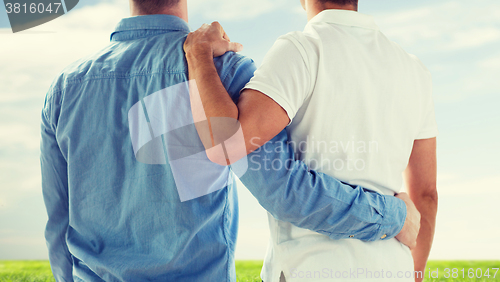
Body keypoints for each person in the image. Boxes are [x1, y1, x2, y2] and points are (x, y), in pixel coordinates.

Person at [40, 0, 420, 281]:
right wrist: (392, 216)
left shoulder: (63, 89)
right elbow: (285, 191)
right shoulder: (223, 72)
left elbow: (58, 224)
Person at [183, 0, 438, 282]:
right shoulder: (415, 71)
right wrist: (414, 271)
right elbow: (426, 195)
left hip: (309, 268)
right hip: (392, 268)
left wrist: (199, 55)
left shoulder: (303, 49)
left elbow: (227, 145)